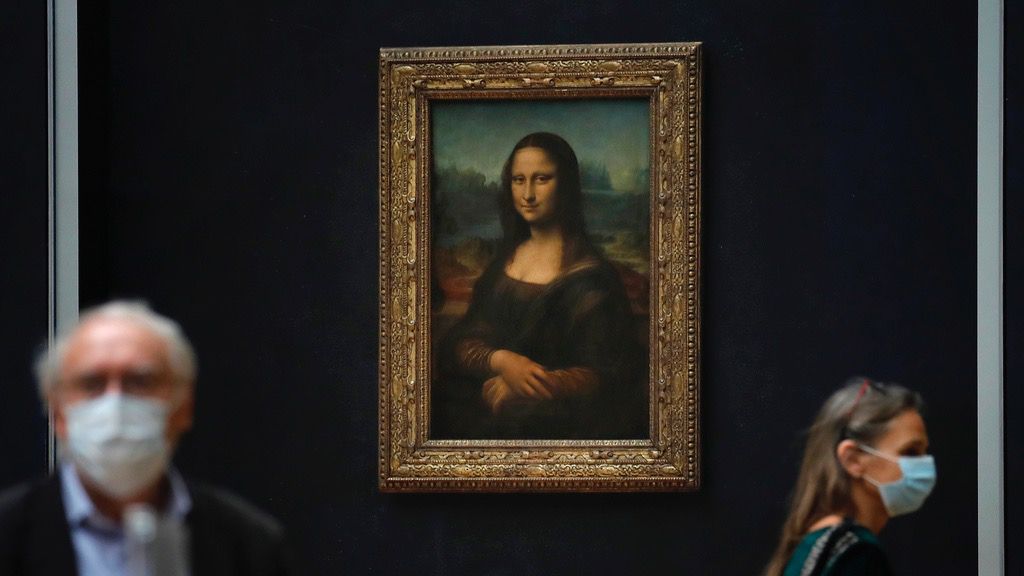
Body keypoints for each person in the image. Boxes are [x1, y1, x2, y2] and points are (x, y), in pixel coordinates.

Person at [0, 301, 288, 575]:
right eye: (92, 384)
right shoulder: (8, 533)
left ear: (183, 408)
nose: (115, 404)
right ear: (58, 414)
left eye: (140, 381)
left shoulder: (247, 543)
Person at [433, 132, 647, 440]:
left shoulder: (592, 277)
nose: (527, 193)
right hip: (482, 410)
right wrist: (503, 361)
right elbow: (462, 341)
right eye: (519, 180)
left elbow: (607, 374)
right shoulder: (504, 263)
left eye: (542, 179)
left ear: (566, 186)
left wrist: (529, 383)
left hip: (560, 426)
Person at [764, 377, 937, 576]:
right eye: (911, 452)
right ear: (853, 459)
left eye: (925, 453)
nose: (925, 465)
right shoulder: (856, 556)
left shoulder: (815, 544)